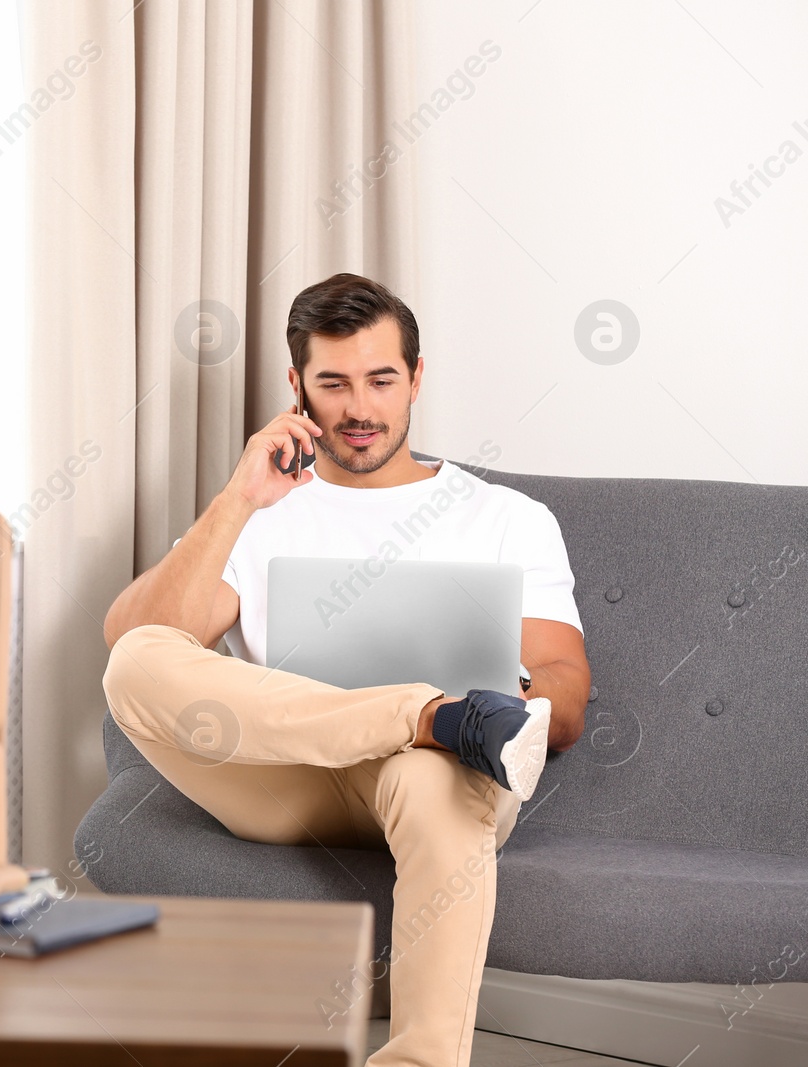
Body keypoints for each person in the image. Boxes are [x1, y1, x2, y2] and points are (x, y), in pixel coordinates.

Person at [101, 272, 591, 1067]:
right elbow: (136, 644)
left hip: (437, 774)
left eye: (380, 380)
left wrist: (507, 697)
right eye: (332, 383)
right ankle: (427, 711)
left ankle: (435, 730)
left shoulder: (508, 518)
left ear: (417, 378)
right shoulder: (266, 514)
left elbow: (562, 687)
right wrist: (238, 497)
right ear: (296, 389)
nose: (359, 408)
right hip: (292, 776)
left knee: (435, 778)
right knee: (135, 658)